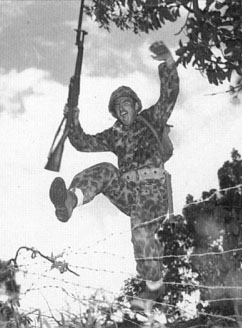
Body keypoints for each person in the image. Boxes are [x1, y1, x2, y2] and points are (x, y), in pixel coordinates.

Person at [49, 41, 179, 311]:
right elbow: (82, 142)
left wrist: (167, 62)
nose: (122, 110)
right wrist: (72, 117)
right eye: (117, 107)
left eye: (126, 104)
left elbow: (169, 95)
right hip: (129, 193)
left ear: (135, 104)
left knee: (141, 230)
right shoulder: (115, 134)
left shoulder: (151, 119)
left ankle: (154, 288)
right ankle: (68, 202)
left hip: (154, 192)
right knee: (107, 170)